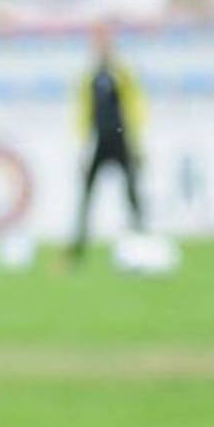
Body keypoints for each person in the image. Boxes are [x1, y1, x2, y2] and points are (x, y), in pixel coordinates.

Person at [70, 22, 148, 265]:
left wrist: (136, 142)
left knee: (131, 191)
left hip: (121, 139)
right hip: (99, 141)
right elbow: (83, 111)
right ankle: (79, 245)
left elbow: (135, 106)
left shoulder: (123, 74)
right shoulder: (89, 76)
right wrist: (82, 144)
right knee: (87, 193)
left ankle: (141, 239)